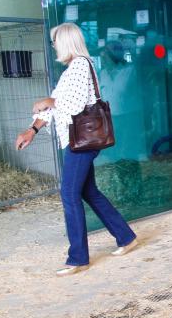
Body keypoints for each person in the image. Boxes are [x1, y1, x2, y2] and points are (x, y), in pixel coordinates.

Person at [14, 23, 138, 277]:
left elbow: (73, 103)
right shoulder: (72, 69)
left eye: (55, 41)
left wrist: (47, 101)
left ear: (66, 42)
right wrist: (32, 131)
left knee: (69, 194)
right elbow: (53, 108)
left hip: (80, 142)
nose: (53, 46)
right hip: (75, 141)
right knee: (89, 192)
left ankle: (78, 258)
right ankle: (125, 237)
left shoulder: (81, 65)